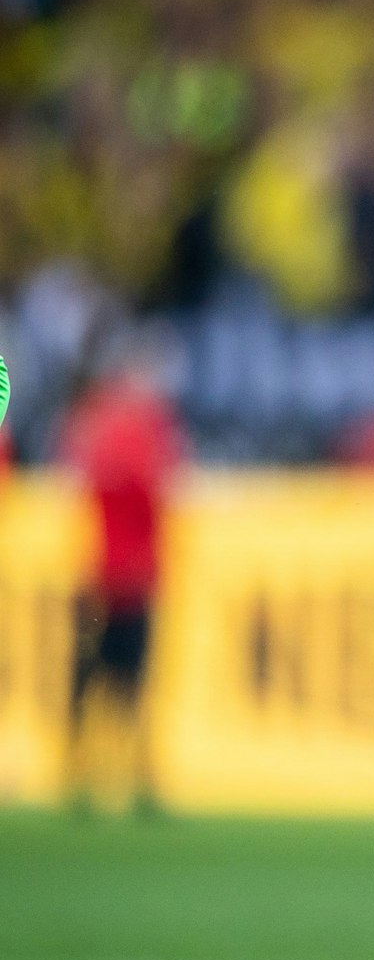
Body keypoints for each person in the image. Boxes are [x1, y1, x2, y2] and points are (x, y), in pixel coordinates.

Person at [60, 330, 187, 817]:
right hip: (120, 576)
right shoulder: (135, 428)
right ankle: (111, 778)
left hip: (115, 573)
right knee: (117, 681)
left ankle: (103, 777)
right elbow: (152, 488)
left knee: (109, 682)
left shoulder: (104, 424)